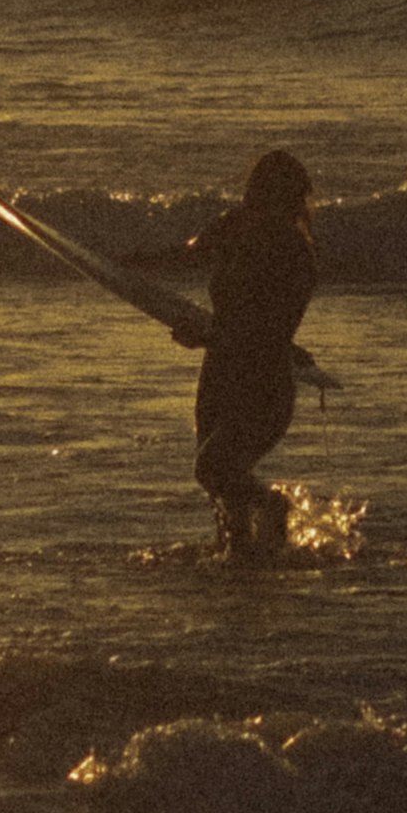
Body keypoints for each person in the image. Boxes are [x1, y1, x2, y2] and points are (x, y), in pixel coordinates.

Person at [135, 149, 317, 553]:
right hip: (219, 374)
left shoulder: (296, 256)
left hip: (263, 384)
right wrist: (127, 264)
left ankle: (274, 507)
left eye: (267, 193)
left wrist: (206, 338)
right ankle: (244, 570)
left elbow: (266, 334)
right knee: (225, 499)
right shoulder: (233, 227)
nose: (255, 201)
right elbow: (184, 256)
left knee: (213, 468)